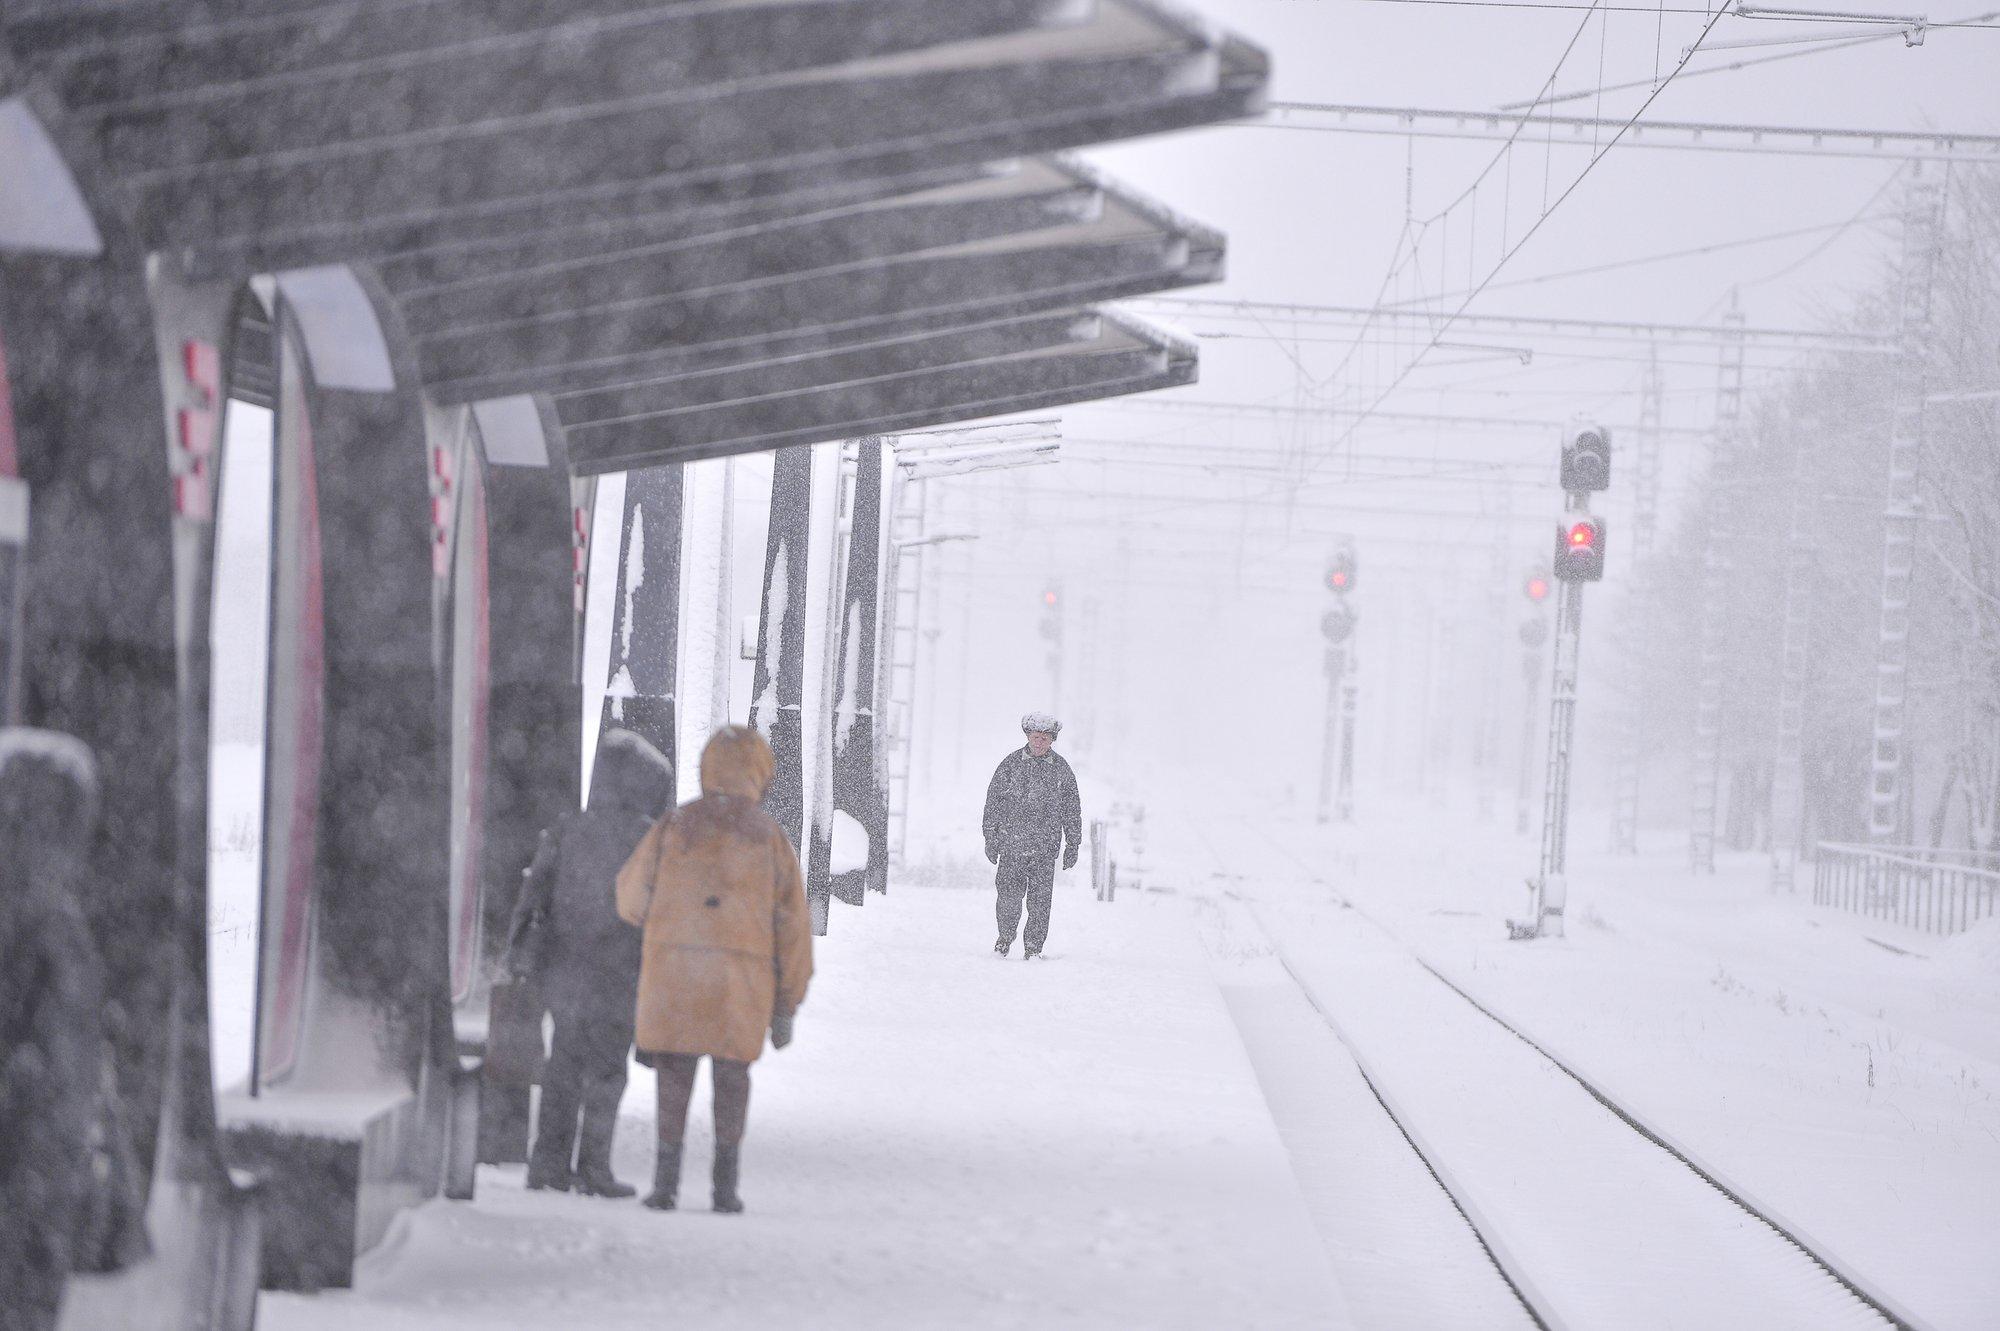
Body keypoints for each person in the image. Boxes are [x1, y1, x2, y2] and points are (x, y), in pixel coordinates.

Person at [616, 725, 812, 1214]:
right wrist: (788, 1000)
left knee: (674, 1076)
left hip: (675, 978)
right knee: (732, 1081)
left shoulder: (673, 826)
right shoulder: (770, 840)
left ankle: (665, 1184)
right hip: (739, 986)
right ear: (759, 773)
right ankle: (725, 1187)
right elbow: (793, 929)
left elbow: (629, 898)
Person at [506, 727, 674, 1198]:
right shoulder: (649, 839)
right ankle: (594, 1167)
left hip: (566, 969)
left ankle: (547, 1163)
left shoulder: (567, 828)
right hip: (620, 972)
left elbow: (532, 894)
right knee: (606, 1072)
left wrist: (519, 954)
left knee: (562, 1063)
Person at [982, 712, 1083, 960]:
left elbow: (1072, 808)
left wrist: (1073, 844)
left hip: (1044, 850)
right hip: (1011, 846)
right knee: (1008, 897)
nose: (1039, 742)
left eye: (1045, 739)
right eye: (1036, 737)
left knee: (1039, 903)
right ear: (1028, 736)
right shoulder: (1010, 765)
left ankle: (1034, 948)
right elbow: (993, 802)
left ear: (1052, 741)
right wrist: (990, 837)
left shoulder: (1061, 771)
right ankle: (1004, 939)